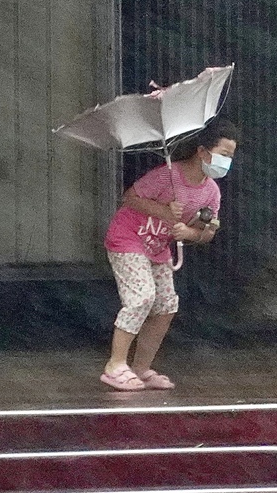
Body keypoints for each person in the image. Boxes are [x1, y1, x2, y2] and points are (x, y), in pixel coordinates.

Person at [99, 118, 239, 391]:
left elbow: (208, 230)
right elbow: (130, 198)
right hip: (129, 238)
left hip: (158, 248)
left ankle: (140, 368)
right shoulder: (167, 175)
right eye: (223, 154)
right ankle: (115, 365)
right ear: (202, 152)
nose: (226, 162)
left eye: (230, 157)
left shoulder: (211, 192)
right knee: (141, 297)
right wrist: (163, 211)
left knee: (166, 305)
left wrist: (189, 233)